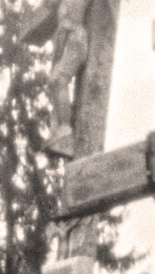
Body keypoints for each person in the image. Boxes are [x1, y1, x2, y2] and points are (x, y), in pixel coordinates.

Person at [48, 0, 93, 157]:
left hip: (76, 39)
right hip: (66, 43)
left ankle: (65, 129)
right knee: (53, 81)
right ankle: (59, 128)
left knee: (59, 80)